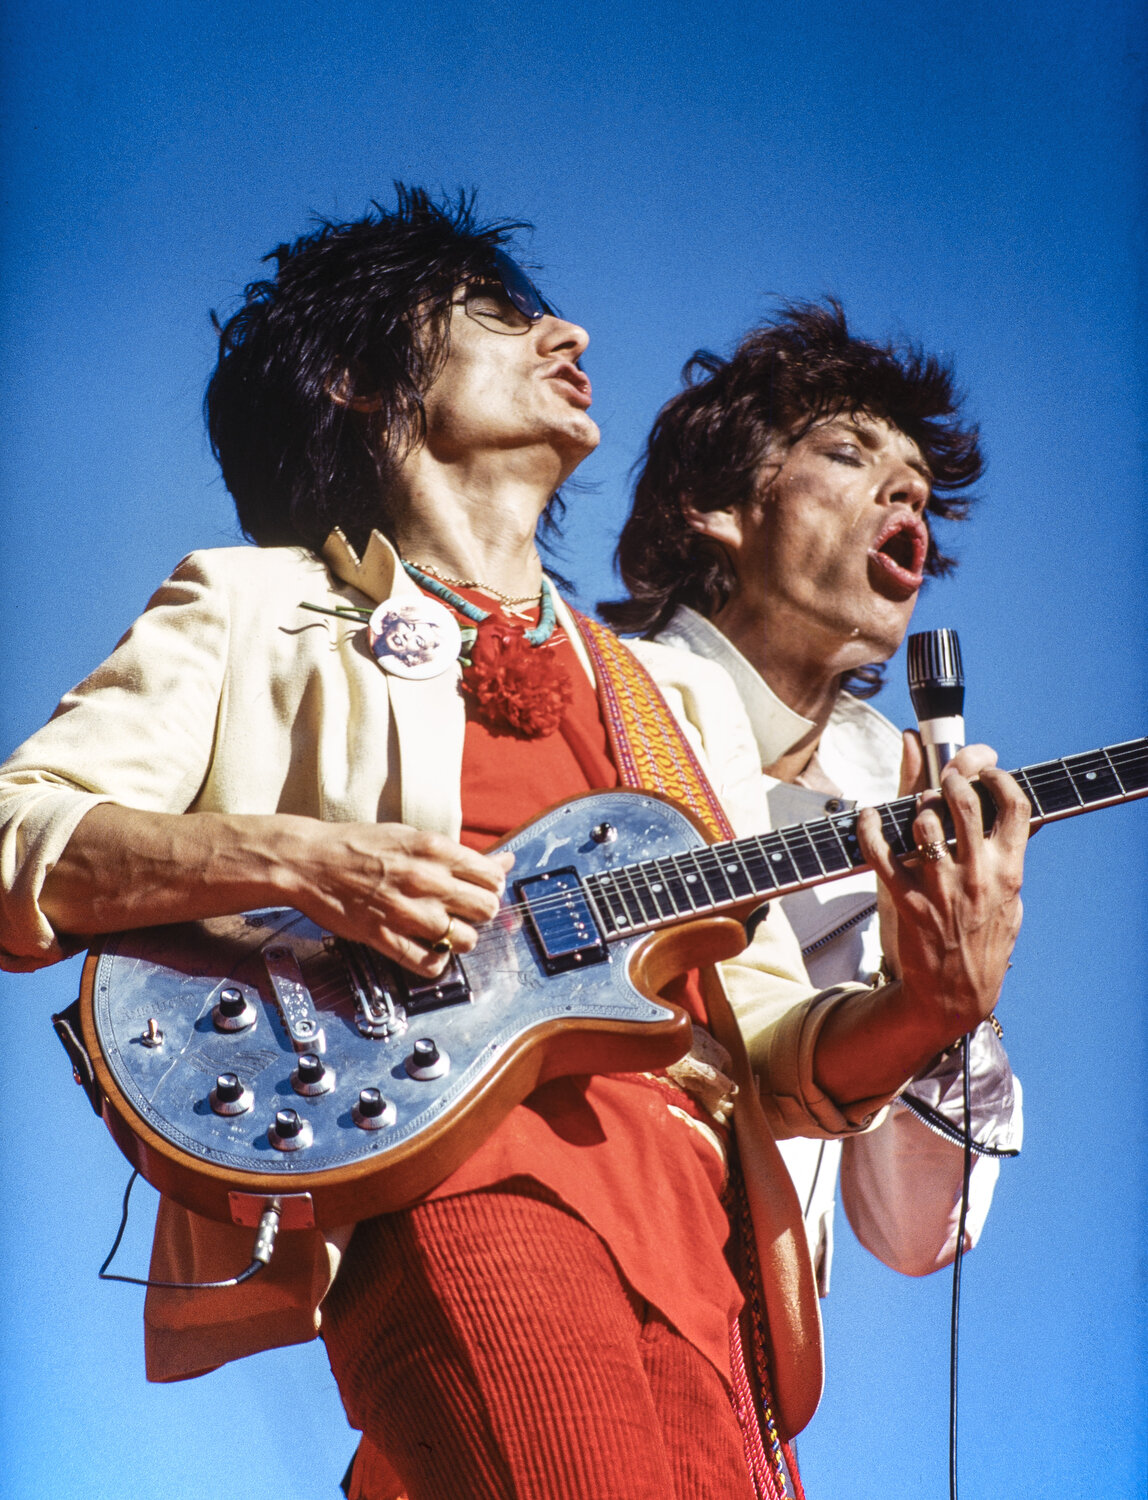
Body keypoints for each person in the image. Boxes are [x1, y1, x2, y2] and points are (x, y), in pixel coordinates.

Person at [0, 197, 1029, 1500]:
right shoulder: (257, 606)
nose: (569, 331)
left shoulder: (670, 700)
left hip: (711, 1255)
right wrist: (303, 860)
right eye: (500, 313)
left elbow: (769, 1044)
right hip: (467, 1181)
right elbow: (18, 831)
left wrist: (931, 999)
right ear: (363, 381)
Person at [604, 301, 1023, 1297]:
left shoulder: (901, 796)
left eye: (917, 490)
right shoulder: (594, 696)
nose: (902, 495)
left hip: (750, 1350)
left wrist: (949, 1003)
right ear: (714, 505)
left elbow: (917, 1231)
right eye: (847, 453)